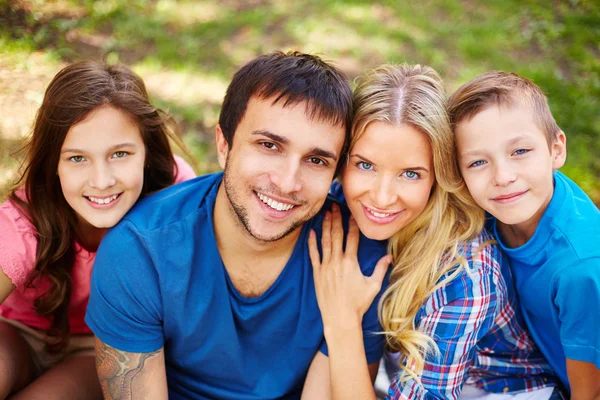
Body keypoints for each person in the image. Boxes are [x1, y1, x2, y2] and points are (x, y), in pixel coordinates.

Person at [84, 51, 388, 400]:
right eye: (269, 145)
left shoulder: (356, 261)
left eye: (316, 160)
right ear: (224, 145)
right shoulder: (139, 252)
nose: (288, 182)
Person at [308, 64, 560, 399]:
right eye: (365, 165)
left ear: (438, 178)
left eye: (410, 173)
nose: (382, 197)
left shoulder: (465, 277)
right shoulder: (340, 209)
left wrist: (341, 320)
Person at [0, 61, 196, 399]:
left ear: (147, 152)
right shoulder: (23, 224)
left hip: (98, 345)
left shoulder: (174, 196)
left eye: (120, 153)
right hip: (14, 332)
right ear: (54, 163)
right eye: (77, 158)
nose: (102, 182)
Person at [448, 71, 600, 399]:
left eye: (520, 152)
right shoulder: (496, 207)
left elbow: (589, 392)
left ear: (556, 150)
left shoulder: (581, 268)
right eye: (477, 162)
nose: (503, 176)